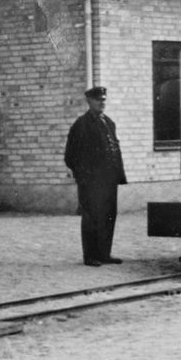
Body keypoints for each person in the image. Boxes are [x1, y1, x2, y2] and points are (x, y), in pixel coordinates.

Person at [64, 86, 127, 266]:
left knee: (108, 216)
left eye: (104, 100)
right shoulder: (81, 125)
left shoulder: (108, 122)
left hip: (109, 180)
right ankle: (90, 256)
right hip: (91, 182)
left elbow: (115, 149)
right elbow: (70, 156)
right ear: (89, 102)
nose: (102, 103)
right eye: (98, 100)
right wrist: (85, 177)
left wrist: (118, 174)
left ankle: (104, 254)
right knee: (91, 217)